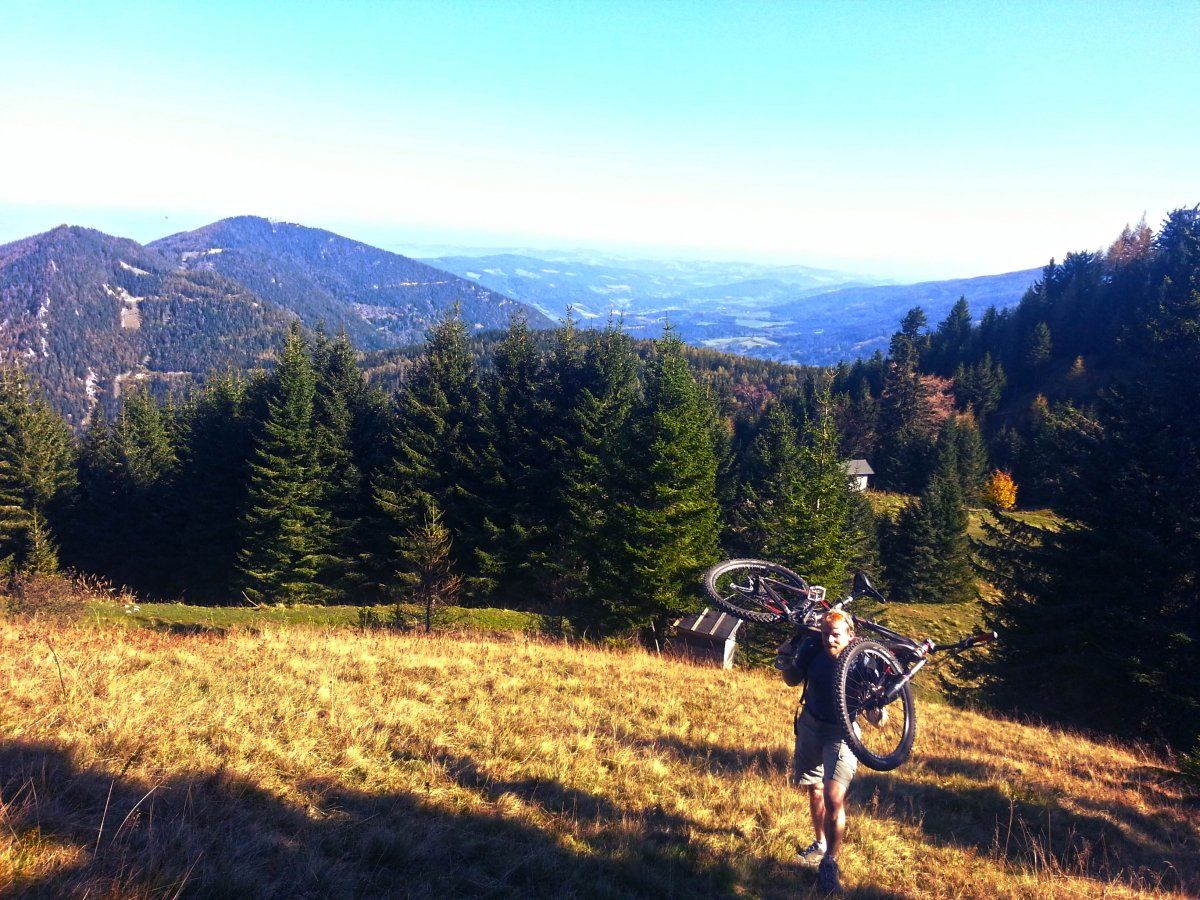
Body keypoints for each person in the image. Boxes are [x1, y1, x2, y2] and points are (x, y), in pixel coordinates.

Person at [775, 608, 866, 894]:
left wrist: (877, 713)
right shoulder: (813, 648)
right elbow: (792, 680)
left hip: (842, 733)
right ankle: (820, 843)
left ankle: (829, 863)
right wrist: (785, 658)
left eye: (836, 635)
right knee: (814, 788)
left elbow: (881, 716)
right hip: (811, 725)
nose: (829, 640)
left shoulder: (860, 660)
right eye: (826, 634)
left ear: (850, 636)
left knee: (833, 797)